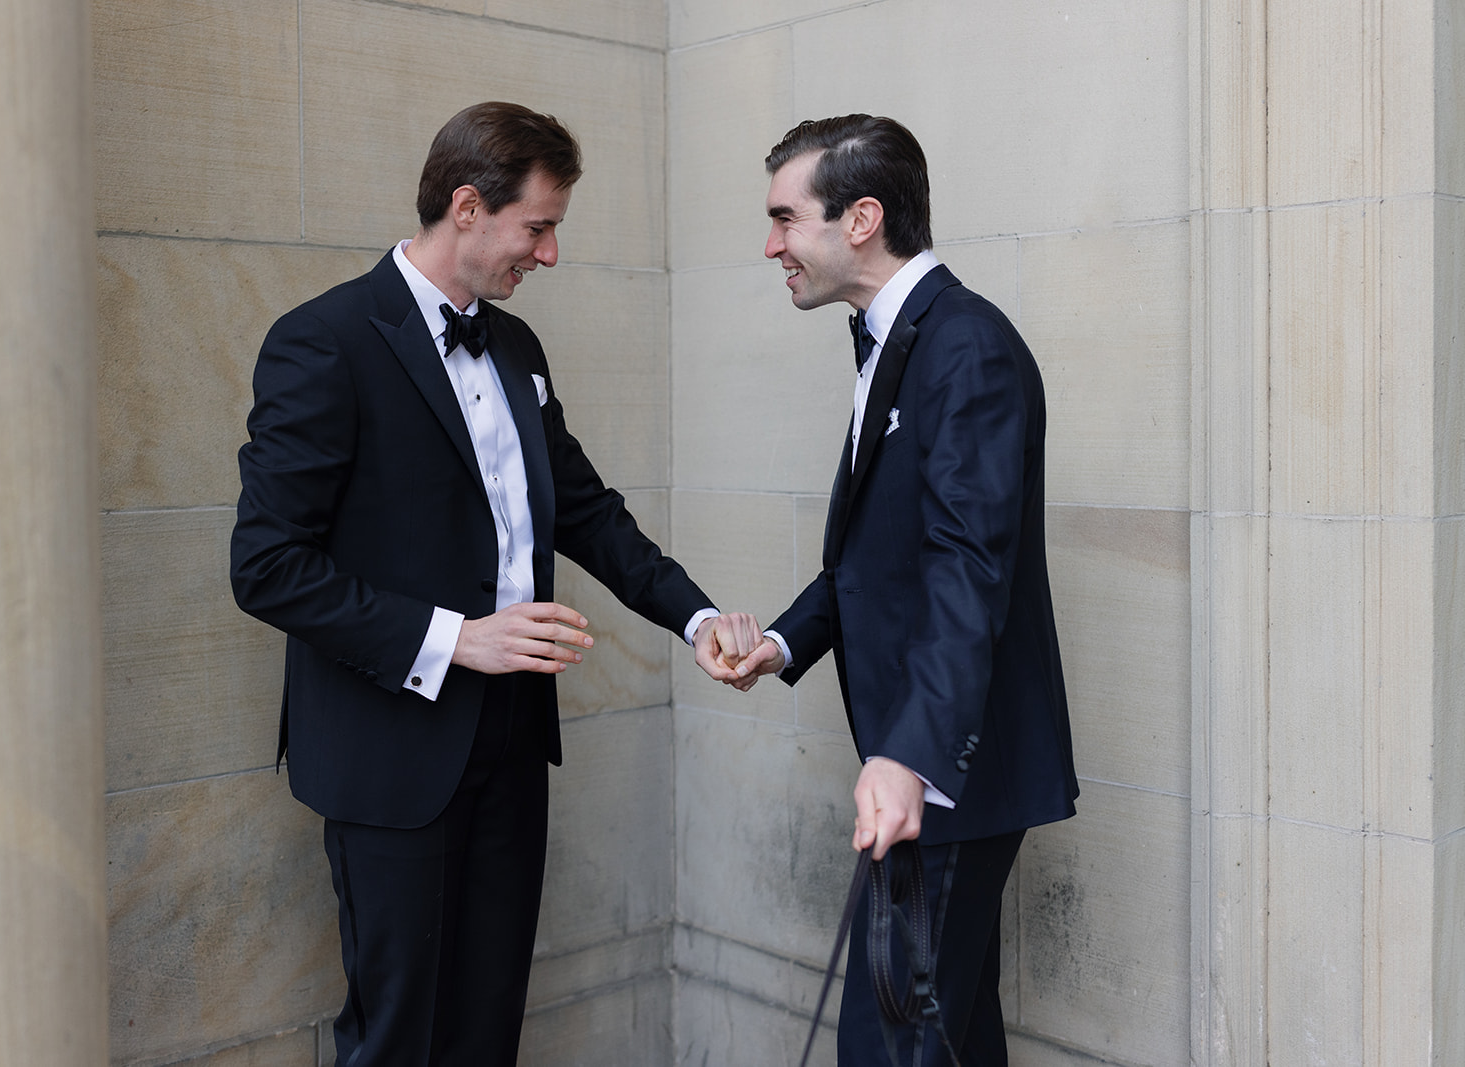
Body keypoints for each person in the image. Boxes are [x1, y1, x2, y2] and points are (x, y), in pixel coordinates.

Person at [230, 101, 760, 1067]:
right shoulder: (324, 341)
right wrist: (456, 638)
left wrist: (697, 617)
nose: (549, 255)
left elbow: (590, 512)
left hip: (513, 744)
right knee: (396, 1039)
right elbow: (266, 568)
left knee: (487, 1030)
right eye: (540, 227)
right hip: (390, 751)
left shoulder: (517, 349)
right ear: (467, 208)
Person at [728, 115, 1079, 1065]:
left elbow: (969, 566)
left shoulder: (965, 348)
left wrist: (911, 756)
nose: (770, 245)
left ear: (861, 218)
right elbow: (881, 557)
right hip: (926, 775)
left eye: (783, 217)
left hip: (945, 779)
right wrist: (787, 640)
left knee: (890, 1048)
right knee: (951, 1040)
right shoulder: (894, 339)